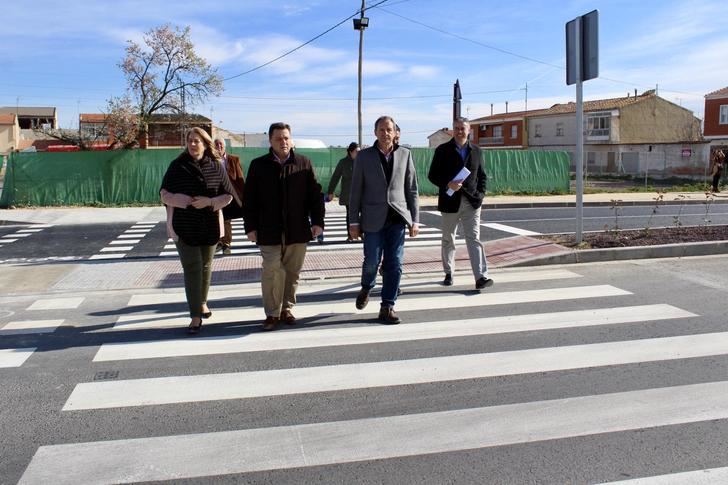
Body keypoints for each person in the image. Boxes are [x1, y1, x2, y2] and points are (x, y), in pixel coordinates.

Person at [243, 122, 325, 331]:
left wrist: (317, 222)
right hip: (268, 229)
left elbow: (315, 196)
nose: (283, 142)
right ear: (270, 141)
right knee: (272, 270)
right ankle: (272, 313)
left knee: (291, 272)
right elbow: (249, 199)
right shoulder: (258, 165)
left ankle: (286, 308)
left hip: (297, 229)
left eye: (286, 137)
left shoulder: (303, 163)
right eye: (278, 138)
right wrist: (250, 227)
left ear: (291, 139)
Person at [160, 127, 242, 334]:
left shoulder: (216, 166)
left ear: (206, 144)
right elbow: (163, 193)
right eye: (190, 141)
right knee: (192, 268)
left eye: (197, 141)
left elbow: (228, 195)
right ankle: (195, 316)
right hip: (184, 225)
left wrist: (210, 201)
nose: (193, 144)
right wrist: (183, 201)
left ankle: (202, 302)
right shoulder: (177, 166)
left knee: (206, 266)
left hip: (210, 224)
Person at [349, 115, 419, 324]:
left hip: (397, 218)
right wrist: (354, 222)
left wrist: (415, 220)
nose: (385, 133)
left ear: (395, 132)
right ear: (375, 132)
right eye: (381, 130)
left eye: (389, 129)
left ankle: (387, 305)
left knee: (394, 263)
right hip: (372, 219)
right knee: (372, 261)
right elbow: (355, 191)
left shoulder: (405, 154)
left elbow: (412, 189)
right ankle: (367, 286)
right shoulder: (364, 157)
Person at [428, 117, 492, 290]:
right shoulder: (442, 150)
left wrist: (480, 196)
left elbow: (482, 176)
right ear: (452, 130)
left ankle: (480, 277)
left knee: (474, 239)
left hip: (472, 202)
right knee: (449, 238)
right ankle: (449, 272)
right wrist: (448, 183)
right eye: (456, 128)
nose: (459, 131)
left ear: (469, 130)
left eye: (462, 128)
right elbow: (432, 175)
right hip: (450, 202)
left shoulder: (477, 151)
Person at [214, 138, 245, 255]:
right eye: (216, 144)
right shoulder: (210, 160)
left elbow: (240, 178)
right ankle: (218, 242)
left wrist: (243, 194)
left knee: (226, 219)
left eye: (220, 144)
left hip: (230, 195)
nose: (218, 146)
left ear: (224, 146)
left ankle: (226, 243)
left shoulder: (233, 159)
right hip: (216, 194)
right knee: (217, 219)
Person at [327, 142, 359, 242]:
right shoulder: (343, 162)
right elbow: (335, 177)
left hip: (361, 194)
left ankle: (361, 233)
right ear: (350, 152)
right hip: (348, 194)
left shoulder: (362, 161)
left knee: (362, 214)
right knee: (350, 215)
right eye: (356, 151)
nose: (358, 153)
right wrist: (330, 191)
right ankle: (350, 235)